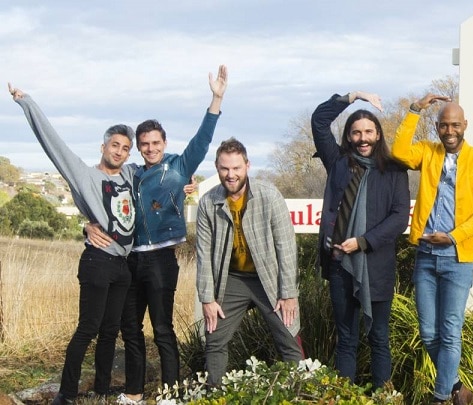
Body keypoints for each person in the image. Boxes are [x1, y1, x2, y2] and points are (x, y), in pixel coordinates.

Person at [85, 65, 228, 403]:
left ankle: (169, 394)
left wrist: (216, 99)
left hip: (162, 260)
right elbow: (100, 193)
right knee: (130, 329)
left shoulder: (180, 165)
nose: (150, 148)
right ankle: (134, 393)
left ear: (164, 143)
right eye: (144, 144)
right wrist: (88, 225)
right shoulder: (131, 172)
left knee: (163, 329)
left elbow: (203, 140)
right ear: (137, 147)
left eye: (155, 143)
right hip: (129, 260)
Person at [8, 83, 136, 405]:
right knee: (88, 329)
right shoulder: (84, 175)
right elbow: (53, 143)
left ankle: (102, 391)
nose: (119, 151)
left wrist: (187, 180)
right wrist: (28, 103)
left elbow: (160, 165)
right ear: (103, 146)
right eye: (115, 145)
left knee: (110, 332)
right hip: (98, 261)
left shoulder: (130, 175)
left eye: (125, 148)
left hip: (122, 266)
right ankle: (65, 394)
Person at [390, 94, 473, 405]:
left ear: (464, 125)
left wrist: (453, 236)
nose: (449, 130)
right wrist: (415, 110)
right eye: (443, 125)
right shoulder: (428, 152)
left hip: (458, 256)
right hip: (425, 254)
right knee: (428, 332)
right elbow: (399, 151)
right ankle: (456, 387)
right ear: (437, 127)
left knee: (450, 330)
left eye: (455, 124)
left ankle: (440, 398)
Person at [311, 92, 410, 390]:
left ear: (378, 135)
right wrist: (352, 97)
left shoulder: (393, 170)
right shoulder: (339, 162)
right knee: (347, 340)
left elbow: (399, 217)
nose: (363, 138)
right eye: (356, 132)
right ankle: (346, 397)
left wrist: (363, 242)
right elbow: (319, 120)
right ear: (349, 136)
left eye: (368, 131)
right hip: (340, 264)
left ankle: (382, 397)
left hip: (376, 266)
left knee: (379, 338)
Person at [195, 137, 303, 386]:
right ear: (217, 167)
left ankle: (299, 394)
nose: (230, 174)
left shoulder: (269, 195)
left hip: (269, 280)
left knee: (288, 338)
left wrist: (288, 293)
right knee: (214, 338)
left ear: (247, 166)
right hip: (232, 280)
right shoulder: (208, 203)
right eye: (224, 168)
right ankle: (216, 398)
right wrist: (208, 299)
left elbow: (286, 246)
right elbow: (203, 254)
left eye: (236, 168)